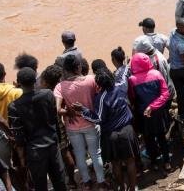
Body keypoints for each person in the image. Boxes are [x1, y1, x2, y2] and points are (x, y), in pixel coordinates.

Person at [73, 70, 138, 191]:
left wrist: (82, 110)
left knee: (116, 163)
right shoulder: (121, 89)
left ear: (99, 84)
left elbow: (98, 118)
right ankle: (133, 188)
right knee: (130, 161)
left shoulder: (101, 98)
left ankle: (121, 188)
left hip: (112, 135)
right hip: (127, 130)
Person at [9, 67, 66, 191]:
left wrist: (22, 158)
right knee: (60, 181)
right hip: (52, 146)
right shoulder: (48, 94)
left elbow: (19, 137)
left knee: (40, 185)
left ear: (18, 82)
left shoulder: (14, 106)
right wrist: (58, 141)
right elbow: (55, 119)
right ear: (35, 80)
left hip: (34, 152)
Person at [55, 55, 105, 190]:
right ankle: (101, 182)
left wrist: (68, 112)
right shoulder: (91, 80)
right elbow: (100, 97)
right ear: (78, 67)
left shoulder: (60, 86)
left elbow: (57, 109)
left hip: (72, 127)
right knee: (96, 153)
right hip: (90, 123)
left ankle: (87, 182)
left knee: (79, 155)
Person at [128, 53, 171, 172]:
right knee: (162, 137)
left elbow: (132, 97)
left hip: (144, 115)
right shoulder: (157, 74)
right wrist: (153, 106)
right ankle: (167, 162)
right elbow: (165, 94)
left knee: (148, 139)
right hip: (158, 113)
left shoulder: (132, 80)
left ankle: (154, 162)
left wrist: (146, 107)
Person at [39, 64, 77, 189]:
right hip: (59, 126)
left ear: (45, 81)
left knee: (61, 155)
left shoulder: (44, 93)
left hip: (46, 129)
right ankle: (71, 180)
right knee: (65, 153)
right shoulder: (60, 90)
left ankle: (63, 182)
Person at [133, 36, 176, 103]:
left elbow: (162, 80)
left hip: (165, 93)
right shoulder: (155, 54)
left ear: (145, 52)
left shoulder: (157, 61)